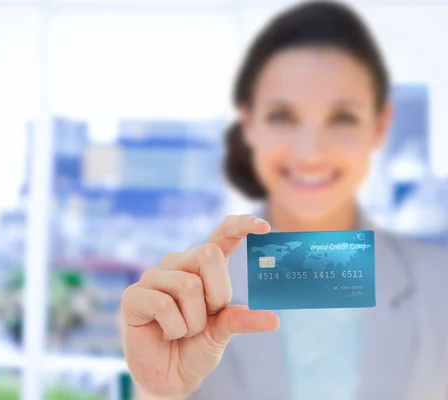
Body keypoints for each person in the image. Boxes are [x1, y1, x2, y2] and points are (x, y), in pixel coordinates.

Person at [119, 2, 448, 399]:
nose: (310, 152)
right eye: (282, 117)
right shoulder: (184, 299)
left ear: (379, 127)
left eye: (342, 118)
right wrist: (158, 392)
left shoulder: (439, 285)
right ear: (249, 125)